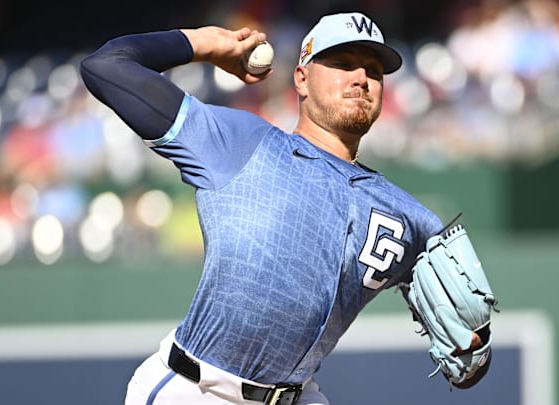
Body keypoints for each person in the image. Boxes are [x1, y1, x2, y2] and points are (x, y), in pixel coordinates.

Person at [80, 11, 486, 405]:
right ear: (302, 78)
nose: (361, 78)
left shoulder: (410, 219)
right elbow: (106, 68)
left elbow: (466, 355)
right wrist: (205, 44)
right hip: (196, 390)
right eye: (343, 63)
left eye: (374, 71)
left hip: (297, 395)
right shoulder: (238, 142)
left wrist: (475, 350)